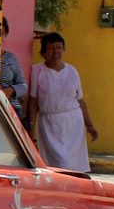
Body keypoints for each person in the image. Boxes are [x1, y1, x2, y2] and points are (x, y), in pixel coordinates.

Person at [27, 31, 97, 172]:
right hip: (49, 124)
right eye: (51, 48)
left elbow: (80, 100)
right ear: (44, 52)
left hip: (72, 124)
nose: (55, 51)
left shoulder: (72, 72)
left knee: (73, 166)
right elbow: (33, 101)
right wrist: (30, 129)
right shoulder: (37, 71)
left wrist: (90, 125)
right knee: (56, 165)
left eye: (59, 47)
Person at [0, 16, 27, 117]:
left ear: (5, 36)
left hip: (9, 110)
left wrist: (9, 91)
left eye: (0, 34)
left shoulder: (10, 58)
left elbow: (23, 86)